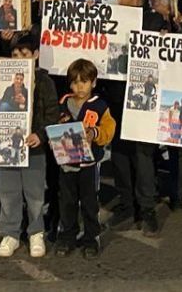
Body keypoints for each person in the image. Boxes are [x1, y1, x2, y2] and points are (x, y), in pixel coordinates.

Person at [107, 0, 166, 236]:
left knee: (143, 155)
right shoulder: (111, 16)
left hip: (143, 99)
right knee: (119, 152)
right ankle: (126, 203)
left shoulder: (154, 21)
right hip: (115, 94)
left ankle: (147, 208)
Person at [0, 35, 59, 259]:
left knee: (35, 193)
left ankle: (36, 232)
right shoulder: (5, 83)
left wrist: (40, 135)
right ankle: (10, 233)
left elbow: (52, 113)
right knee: (8, 192)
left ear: (36, 55)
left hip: (35, 148)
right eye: (15, 54)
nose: (19, 58)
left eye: (25, 54)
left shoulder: (44, 81)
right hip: (7, 146)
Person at [56, 58, 116, 258]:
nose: (79, 87)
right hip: (66, 164)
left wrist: (95, 133)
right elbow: (53, 124)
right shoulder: (63, 102)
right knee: (67, 202)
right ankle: (67, 237)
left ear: (94, 83)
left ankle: (92, 238)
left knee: (90, 203)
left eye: (84, 82)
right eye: (74, 82)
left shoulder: (99, 105)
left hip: (89, 164)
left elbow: (109, 129)